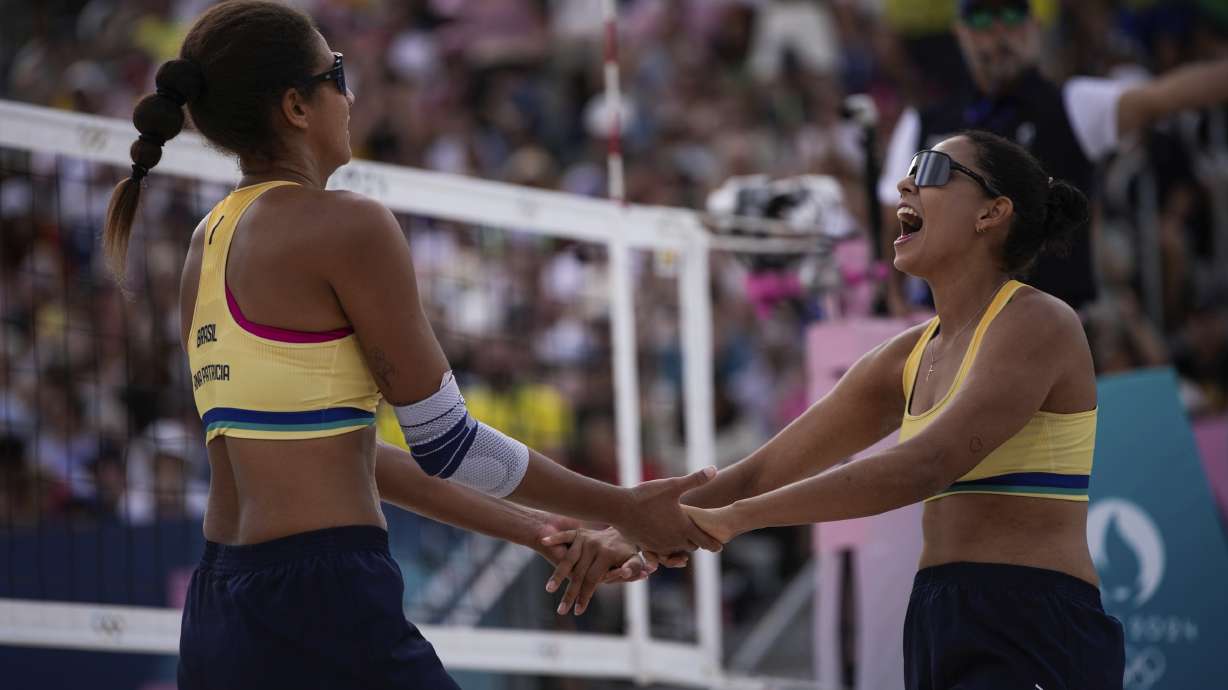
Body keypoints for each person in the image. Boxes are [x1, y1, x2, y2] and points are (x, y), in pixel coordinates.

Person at [101, 2, 717, 688]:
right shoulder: (345, 224)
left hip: (219, 607)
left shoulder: (205, 242)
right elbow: (447, 441)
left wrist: (538, 530)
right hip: (324, 600)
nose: (353, 93)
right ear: (297, 106)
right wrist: (623, 507)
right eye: (336, 72)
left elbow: (354, 454)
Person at [552, 130, 1125, 688]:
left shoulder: (1039, 320)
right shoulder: (907, 354)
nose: (904, 183)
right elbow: (757, 471)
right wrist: (626, 529)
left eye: (929, 169)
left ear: (991, 213)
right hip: (937, 614)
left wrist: (742, 518)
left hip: (1034, 616)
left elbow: (924, 466)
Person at [878, 0, 1228, 314]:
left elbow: (1165, 97)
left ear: (1034, 27)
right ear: (961, 31)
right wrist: (899, 304)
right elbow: (894, 225)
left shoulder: (1073, 105)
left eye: (1012, 15)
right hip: (951, 329)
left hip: (1056, 320)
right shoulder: (923, 124)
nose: (999, 34)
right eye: (982, 17)